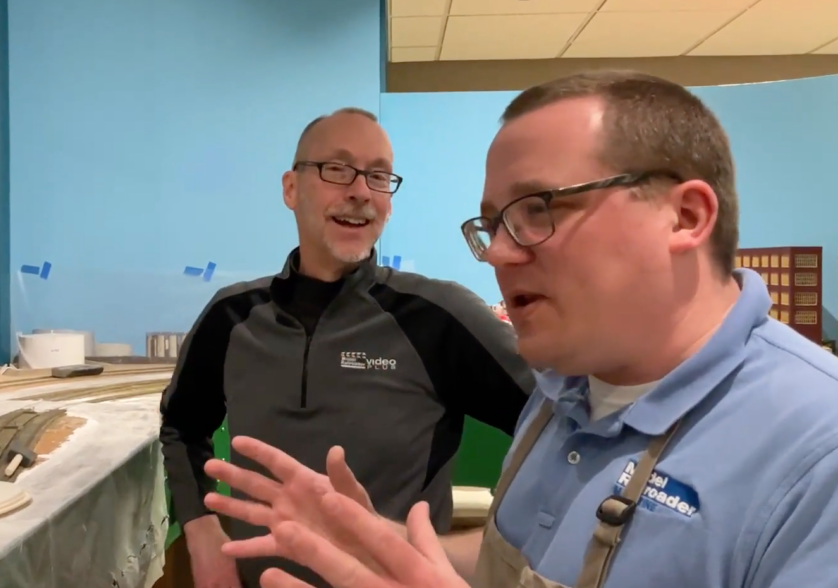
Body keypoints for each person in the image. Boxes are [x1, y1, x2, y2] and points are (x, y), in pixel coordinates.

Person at [200, 71, 838, 588]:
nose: (500, 254)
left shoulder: (816, 455)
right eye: (493, 225)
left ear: (684, 216)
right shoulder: (560, 396)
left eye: (538, 210)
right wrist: (374, 539)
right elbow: (518, 557)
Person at [159, 107, 534, 588]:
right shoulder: (231, 317)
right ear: (291, 189)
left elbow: (561, 427)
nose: (360, 190)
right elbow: (182, 425)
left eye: (378, 176)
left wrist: (497, 551)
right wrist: (201, 530)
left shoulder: (438, 317)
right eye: (337, 169)